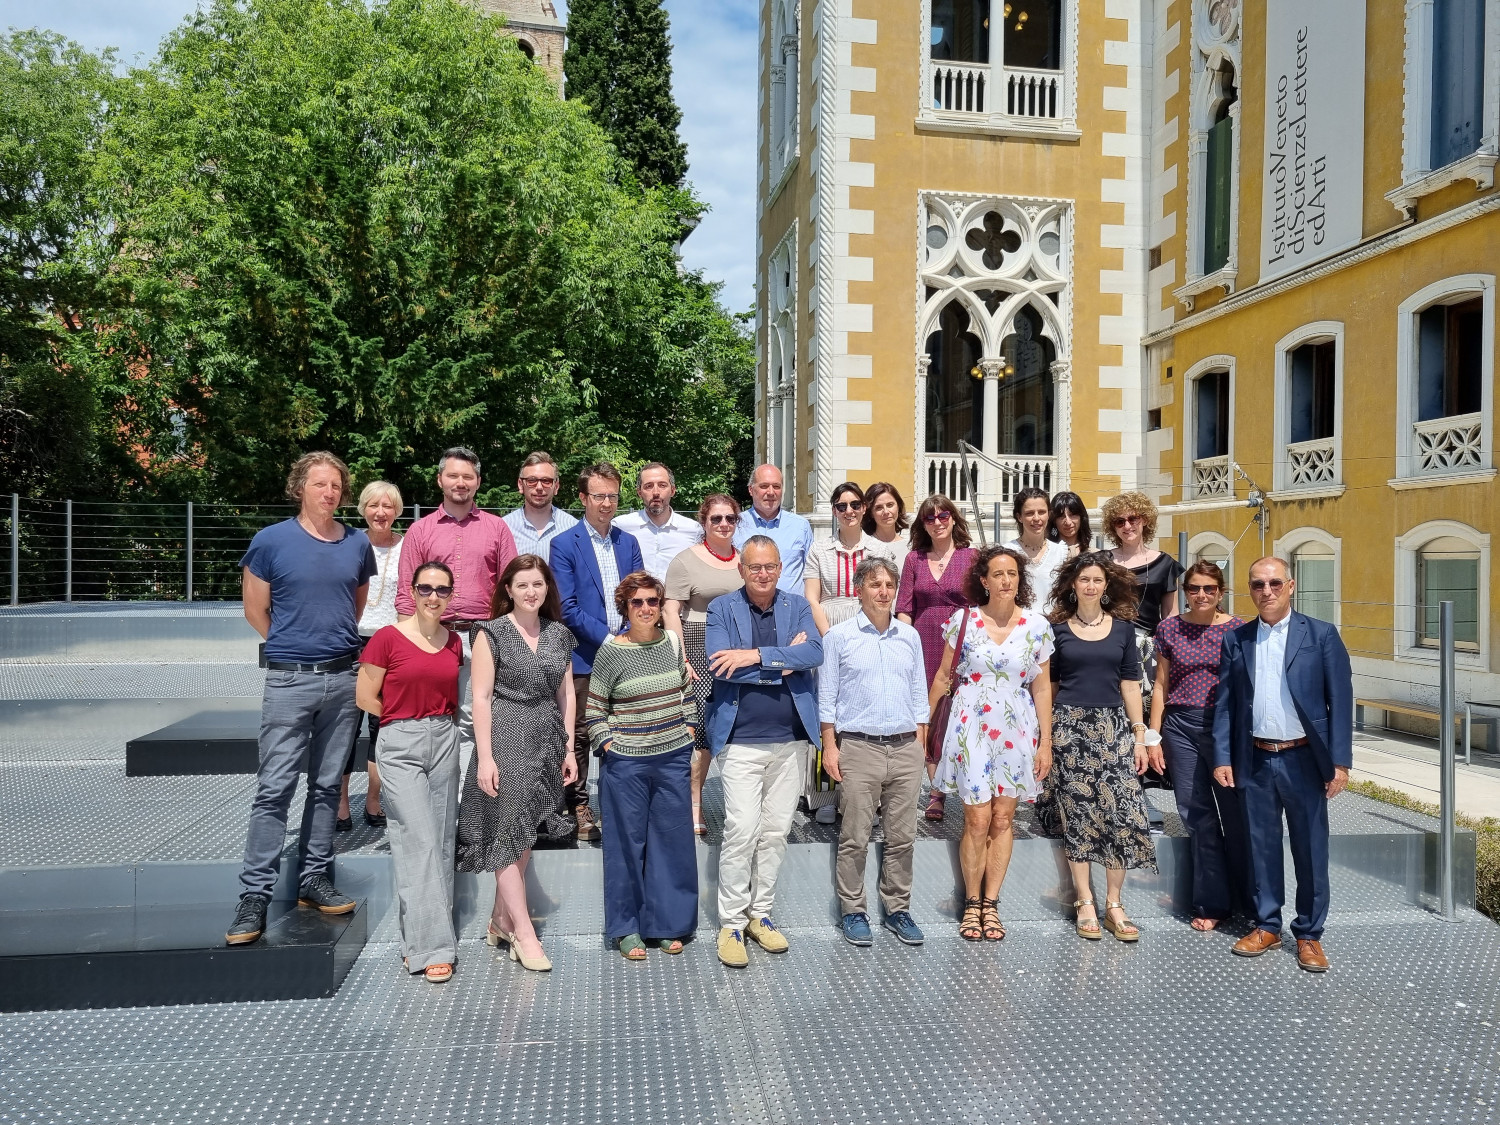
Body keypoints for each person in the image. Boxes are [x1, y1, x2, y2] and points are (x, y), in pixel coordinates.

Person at [226, 452, 376, 946]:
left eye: (336, 485)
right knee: (274, 789)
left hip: (343, 680)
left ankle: (314, 878)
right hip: (290, 682)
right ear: (300, 488)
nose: (329, 493)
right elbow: (255, 610)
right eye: (320, 484)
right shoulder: (270, 541)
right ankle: (255, 895)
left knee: (327, 786)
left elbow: (354, 606)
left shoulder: (356, 543)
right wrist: (294, 651)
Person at [1213, 557, 1353, 973]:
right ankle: (1267, 925)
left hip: (1304, 759)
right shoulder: (1236, 640)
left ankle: (1309, 934)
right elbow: (1225, 705)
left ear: (1291, 586)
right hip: (1255, 758)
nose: (1266, 591)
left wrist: (1340, 763)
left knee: (1311, 848)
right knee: (1262, 846)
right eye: (1258, 584)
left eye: (1275, 583)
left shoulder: (1321, 635)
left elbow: (1341, 703)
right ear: (1250, 590)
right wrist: (1223, 756)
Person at [704, 536, 823, 968]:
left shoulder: (797, 605)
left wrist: (753, 655)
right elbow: (719, 662)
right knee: (741, 830)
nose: (763, 574)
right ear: (741, 569)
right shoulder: (721, 608)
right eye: (754, 567)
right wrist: (782, 661)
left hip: (790, 739)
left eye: (770, 566)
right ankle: (732, 922)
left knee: (775, 832)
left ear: (779, 567)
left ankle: (761, 915)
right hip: (740, 741)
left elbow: (813, 652)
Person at [455, 554, 577, 974]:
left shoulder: (559, 634)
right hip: (506, 737)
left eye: (538, 585)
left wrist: (569, 749)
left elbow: (567, 696)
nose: (531, 592)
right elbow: (482, 698)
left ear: (547, 590)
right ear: (508, 589)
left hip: (546, 739)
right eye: (522, 585)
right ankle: (524, 933)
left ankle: (500, 920)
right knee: (506, 833)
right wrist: (485, 757)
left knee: (524, 831)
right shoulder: (490, 633)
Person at [930, 547, 1054, 943]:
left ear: (1020, 579)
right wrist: (923, 729)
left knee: (1003, 819)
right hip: (972, 726)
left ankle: (991, 905)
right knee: (977, 819)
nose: (1006, 580)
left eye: (1013, 573)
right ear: (983, 580)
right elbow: (943, 677)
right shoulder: (963, 620)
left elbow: (1041, 686)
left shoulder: (1037, 625)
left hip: (1017, 729)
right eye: (998, 574)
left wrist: (1045, 742)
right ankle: (971, 903)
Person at [1035, 552, 1156, 943]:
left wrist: (1140, 736)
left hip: (1114, 728)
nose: (1090, 585)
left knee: (1121, 813)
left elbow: (1130, 685)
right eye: (1084, 579)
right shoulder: (1056, 630)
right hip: (1069, 729)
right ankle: (1086, 902)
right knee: (1080, 816)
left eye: (1097, 580)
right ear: (1073, 584)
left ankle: (1115, 904)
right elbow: (1047, 689)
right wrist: (1045, 738)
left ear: (1106, 586)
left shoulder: (1123, 630)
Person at [355, 561, 464, 983]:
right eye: (425, 589)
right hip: (401, 742)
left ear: (451, 595)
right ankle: (432, 948)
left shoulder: (454, 642)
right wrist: (403, 721)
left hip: (445, 738)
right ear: (412, 592)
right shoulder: (387, 638)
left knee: (439, 840)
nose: (433, 597)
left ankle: (416, 940)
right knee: (417, 839)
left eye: (442, 590)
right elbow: (365, 695)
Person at [586, 571, 699, 960]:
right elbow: (595, 709)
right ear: (625, 607)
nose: (647, 608)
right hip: (627, 763)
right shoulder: (612, 652)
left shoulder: (670, 641)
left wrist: (688, 727)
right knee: (625, 845)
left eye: (653, 601)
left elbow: (686, 688)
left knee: (673, 842)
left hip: (672, 758)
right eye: (638, 602)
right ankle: (627, 929)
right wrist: (611, 746)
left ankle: (668, 926)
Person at [818, 557, 929, 948]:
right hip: (859, 747)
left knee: (903, 837)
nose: (883, 591)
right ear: (859, 589)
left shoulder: (908, 636)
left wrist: (920, 740)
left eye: (889, 585)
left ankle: (898, 909)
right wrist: (830, 748)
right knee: (855, 836)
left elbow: (919, 692)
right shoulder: (840, 637)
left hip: (904, 749)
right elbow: (827, 697)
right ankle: (854, 911)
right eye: (875, 584)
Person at [396, 447, 518, 768]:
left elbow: (512, 590)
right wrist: (409, 649)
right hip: (432, 635)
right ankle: (436, 801)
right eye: (453, 475)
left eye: (467, 476)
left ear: (478, 482)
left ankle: (465, 810)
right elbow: (406, 594)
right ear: (440, 480)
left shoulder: (497, 529)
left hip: (482, 636)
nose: (460, 482)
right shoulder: (420, 530)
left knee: (472, 721)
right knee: (430, 721)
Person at [1148, 561, 1250, 931]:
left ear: (1221, 592)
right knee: (1198, 817)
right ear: (1185, 591)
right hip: (1181, 727)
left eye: (1209, 588)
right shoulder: (1169, 628)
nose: (1201, 595)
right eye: (1194, 589)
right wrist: (1153, 736)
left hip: (1226, 730)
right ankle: (1212, 902)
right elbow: (1160, 685)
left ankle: (1249, 899)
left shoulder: (1239, 629)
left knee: (1237, 816)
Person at [551, 462, 645, 841]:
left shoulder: (628, 542)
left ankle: (618, 805)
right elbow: (567, 607)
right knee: (579, 733)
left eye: (612, 496)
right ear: (582, 498)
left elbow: (639, 598)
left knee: (621, 731)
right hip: (585, 656)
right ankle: (578, 807)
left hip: (626, 656)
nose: (606, 503)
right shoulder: (564, 544)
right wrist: (611, 640)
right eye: (599, 496)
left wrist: (629, 636)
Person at [803, 480, 897, 824]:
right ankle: (827, 794)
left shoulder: (879, 550)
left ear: (864, 508)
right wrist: (829, 637)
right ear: (834, 511)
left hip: (869, 624)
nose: (849, 511)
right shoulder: (819, 548)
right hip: (830, 625)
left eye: (855, 504)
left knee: (864, 708)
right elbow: (812, 597)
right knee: (828, 709)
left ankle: (866, 800)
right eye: (842, 506)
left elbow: (887, 594)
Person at [663, 494, 745, 836]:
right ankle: (692, 804)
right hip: (698, 644)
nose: (723, 524)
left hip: (738, 649)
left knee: (725, 731)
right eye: (716, 519)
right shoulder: (685, 561)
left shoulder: (744, 560)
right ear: (703, 522)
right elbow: (671, 611)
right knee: (697, 730)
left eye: (730, 518)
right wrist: (680, 657)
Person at [895, 494, 978, 822]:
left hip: (964, 642)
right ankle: (936, 790)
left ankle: (972, 783)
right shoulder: (914, 559)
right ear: (923, 525)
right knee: (929, 715)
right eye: (930, 518)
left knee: (962, 714)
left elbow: (983, 602)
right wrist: (905, 645)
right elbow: (904, 606)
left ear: (954, 519)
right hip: (924, 641)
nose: (938, 522)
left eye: (944, 515)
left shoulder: (972, 557)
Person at [338, 480, 403, 832]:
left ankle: (374, 800)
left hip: (389, 643)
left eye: (388, 506)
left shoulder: (407, 547)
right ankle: (342, 801)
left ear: (397, 511)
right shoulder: (347, 544)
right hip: (351, 642)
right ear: (363, 508)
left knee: (382, 724)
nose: (381, 512)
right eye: (374, 505)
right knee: (347, 723)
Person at [1102, 491, 1183, 711]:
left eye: (1133, 519)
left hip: (1149, 647)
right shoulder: (1103, 561)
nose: (1127, 526)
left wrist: (1172, 654)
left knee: (1149, 707)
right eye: (1120, 521)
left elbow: (1170, 614)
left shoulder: (1164, 563)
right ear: (1113, 527)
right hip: (1110, 642)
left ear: (1144, 520)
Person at [613, 462, 702, 581]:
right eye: (648, 486)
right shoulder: (620, 527)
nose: (655, 492)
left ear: (673, 490)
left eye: (662, 485)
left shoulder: (693, 530)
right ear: (639, 492)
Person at [734, 464, 814, 592]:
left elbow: (812, 573)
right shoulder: (735, 525)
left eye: (776, 486)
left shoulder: (800, 526)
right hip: (745, 608)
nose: (771, 492)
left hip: (792, 609)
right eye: (764, 486)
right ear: (751, 490)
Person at [502, 452, 577, 561]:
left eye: (546, 481)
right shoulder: (504, 527)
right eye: (531, 480)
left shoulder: (572, 527)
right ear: (520, 485)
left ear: (556, 487)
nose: (539, 487)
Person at [1004, 486, 1069, 612]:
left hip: (1052, 625)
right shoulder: (1007, 552)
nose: (1036, 518)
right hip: (1020, 625)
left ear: (1049, 515)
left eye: (1041, 512)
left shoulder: (1061, 552)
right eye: (1029, 513)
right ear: (1019, 517)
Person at [862, 481, 911, 575]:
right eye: (879, 508)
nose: (886, 511)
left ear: (898, 507)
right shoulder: (865, 547)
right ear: (871, 513)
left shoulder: (910, 547)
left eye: (890, 505)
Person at [1047, 491, 1092, 557]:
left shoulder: (1094, 555)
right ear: (1054, 520)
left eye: (1072, 515)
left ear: (1081, 518)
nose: (1068, 522)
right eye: (1061, 516)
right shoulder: (1046, 554)